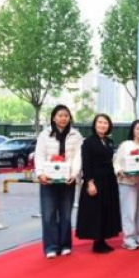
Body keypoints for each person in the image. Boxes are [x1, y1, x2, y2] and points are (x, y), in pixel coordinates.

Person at [34, 105, 83, 259]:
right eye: (60, 115)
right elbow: (39, 155)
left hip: (67, 180)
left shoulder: (76, 135)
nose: (63, 118)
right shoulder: (44, 135)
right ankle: (51, 246)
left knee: (66, 214)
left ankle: (65, 245)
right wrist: (40, 173)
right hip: (48, 180)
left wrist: (74, 174)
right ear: (54, 118)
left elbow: (78, 156)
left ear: (70, 118)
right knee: (48, 214)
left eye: (66, 116)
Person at [76, 114, 122, 253]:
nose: (102, 125)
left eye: (105, 123)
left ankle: (103, 240)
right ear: (95, 125)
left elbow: (112, 160)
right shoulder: (88, 142)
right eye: (100, 122)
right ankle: (97, 242)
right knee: (96, 211)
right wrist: (90, 183)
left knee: (107, 210)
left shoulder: (109, 141)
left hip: (109, 180)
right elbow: (86, 164)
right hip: (95, 180)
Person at [114, 119, 139, 250]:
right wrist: (120, 171)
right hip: (127, 182)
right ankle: (129, 239)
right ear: (133, 131)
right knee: (128, 211)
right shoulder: (125, 145)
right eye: (137, 128)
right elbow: (116, 162)